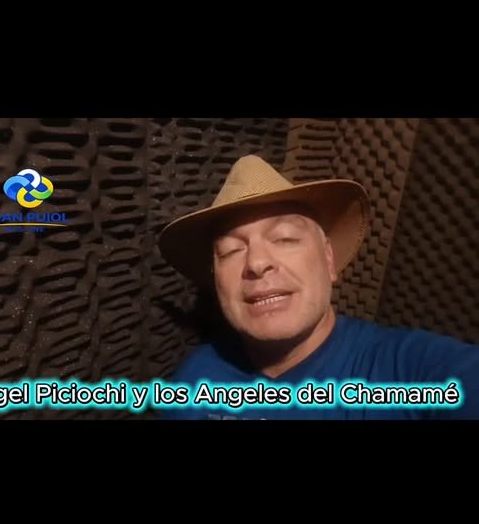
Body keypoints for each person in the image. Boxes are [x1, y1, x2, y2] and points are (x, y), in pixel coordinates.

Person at [158, 155, 479, 420]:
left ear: (328, 259)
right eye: (230, 251)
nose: (256, 262)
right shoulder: (194, 380)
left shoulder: (413, 371)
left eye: (285, 238)